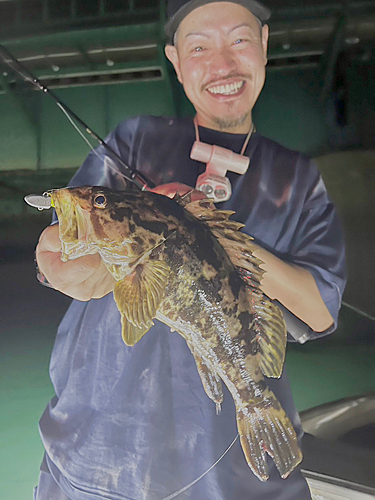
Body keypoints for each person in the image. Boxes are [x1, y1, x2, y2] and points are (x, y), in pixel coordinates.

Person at [34, 1, 346, 499]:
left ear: (265, 44)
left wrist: (218, 239)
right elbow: (63, 245)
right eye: (199, 47)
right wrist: (63, 260)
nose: (222, 65)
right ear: (175, 61)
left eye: (240, 40)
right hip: (91, 456)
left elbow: (320, 311)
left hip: (233, 481)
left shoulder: (299, 178)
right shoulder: (133, 139)